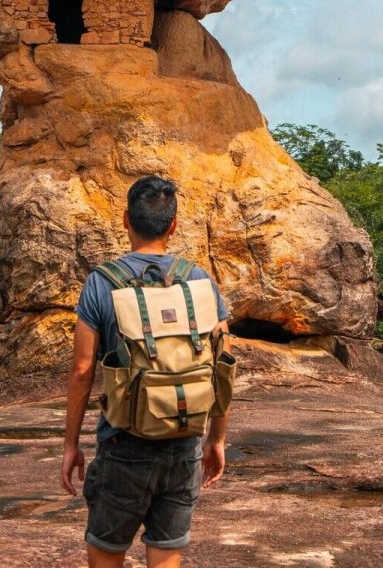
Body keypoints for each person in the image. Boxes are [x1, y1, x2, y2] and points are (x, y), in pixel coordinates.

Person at [61, 176, 231, 568]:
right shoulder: (200, 280)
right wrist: (216, 439)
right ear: (173, 225)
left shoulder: (101, 283)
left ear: (125, 220)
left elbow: (83, 370)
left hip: (123, 444)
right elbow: (222, 368)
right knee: (166, 550)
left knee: (106, 548)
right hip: (183, 442)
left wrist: (71, 446)